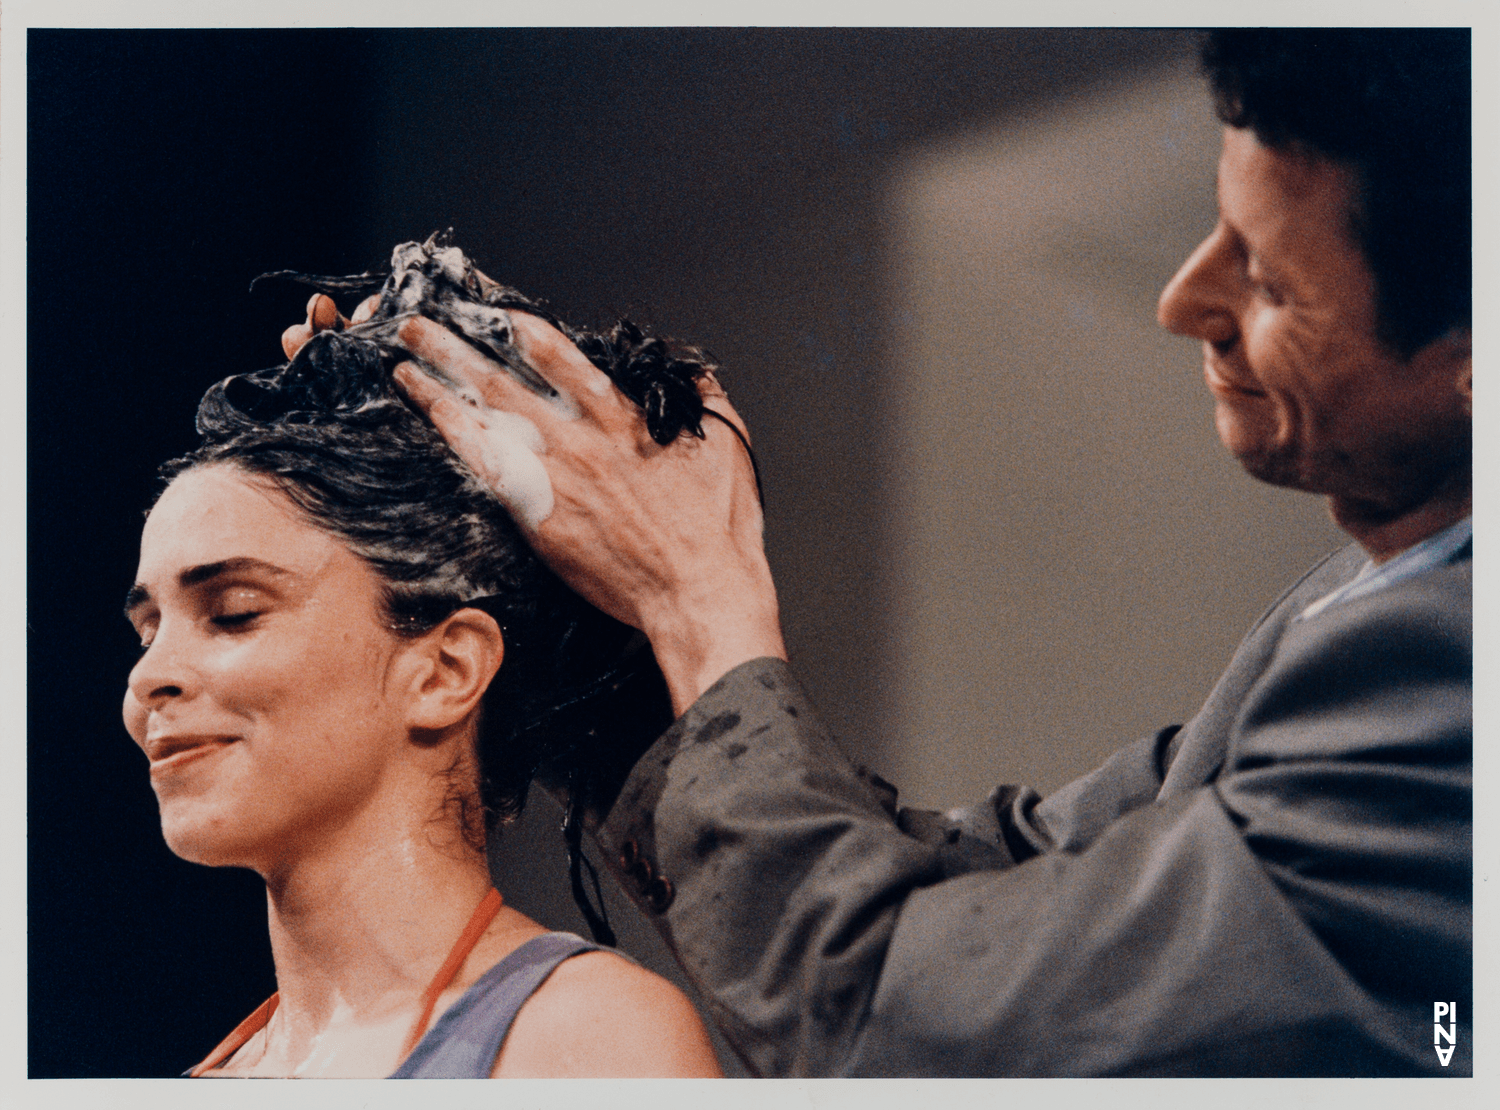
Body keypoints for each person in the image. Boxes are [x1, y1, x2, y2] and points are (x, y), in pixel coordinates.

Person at [288, 29, 1470, 1076]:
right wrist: (602, 649)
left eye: (1266, 277)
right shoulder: (1354, 611)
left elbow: (920, 1026)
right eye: (1216, 227)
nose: (1181, 300)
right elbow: (1000, 893)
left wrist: (704, 598)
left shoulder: (1448, 683)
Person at [122, 280, 724, 1078]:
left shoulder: (584, 1044)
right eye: (147, 629)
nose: (150, 678)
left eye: (233, 612)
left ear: (445, 669)